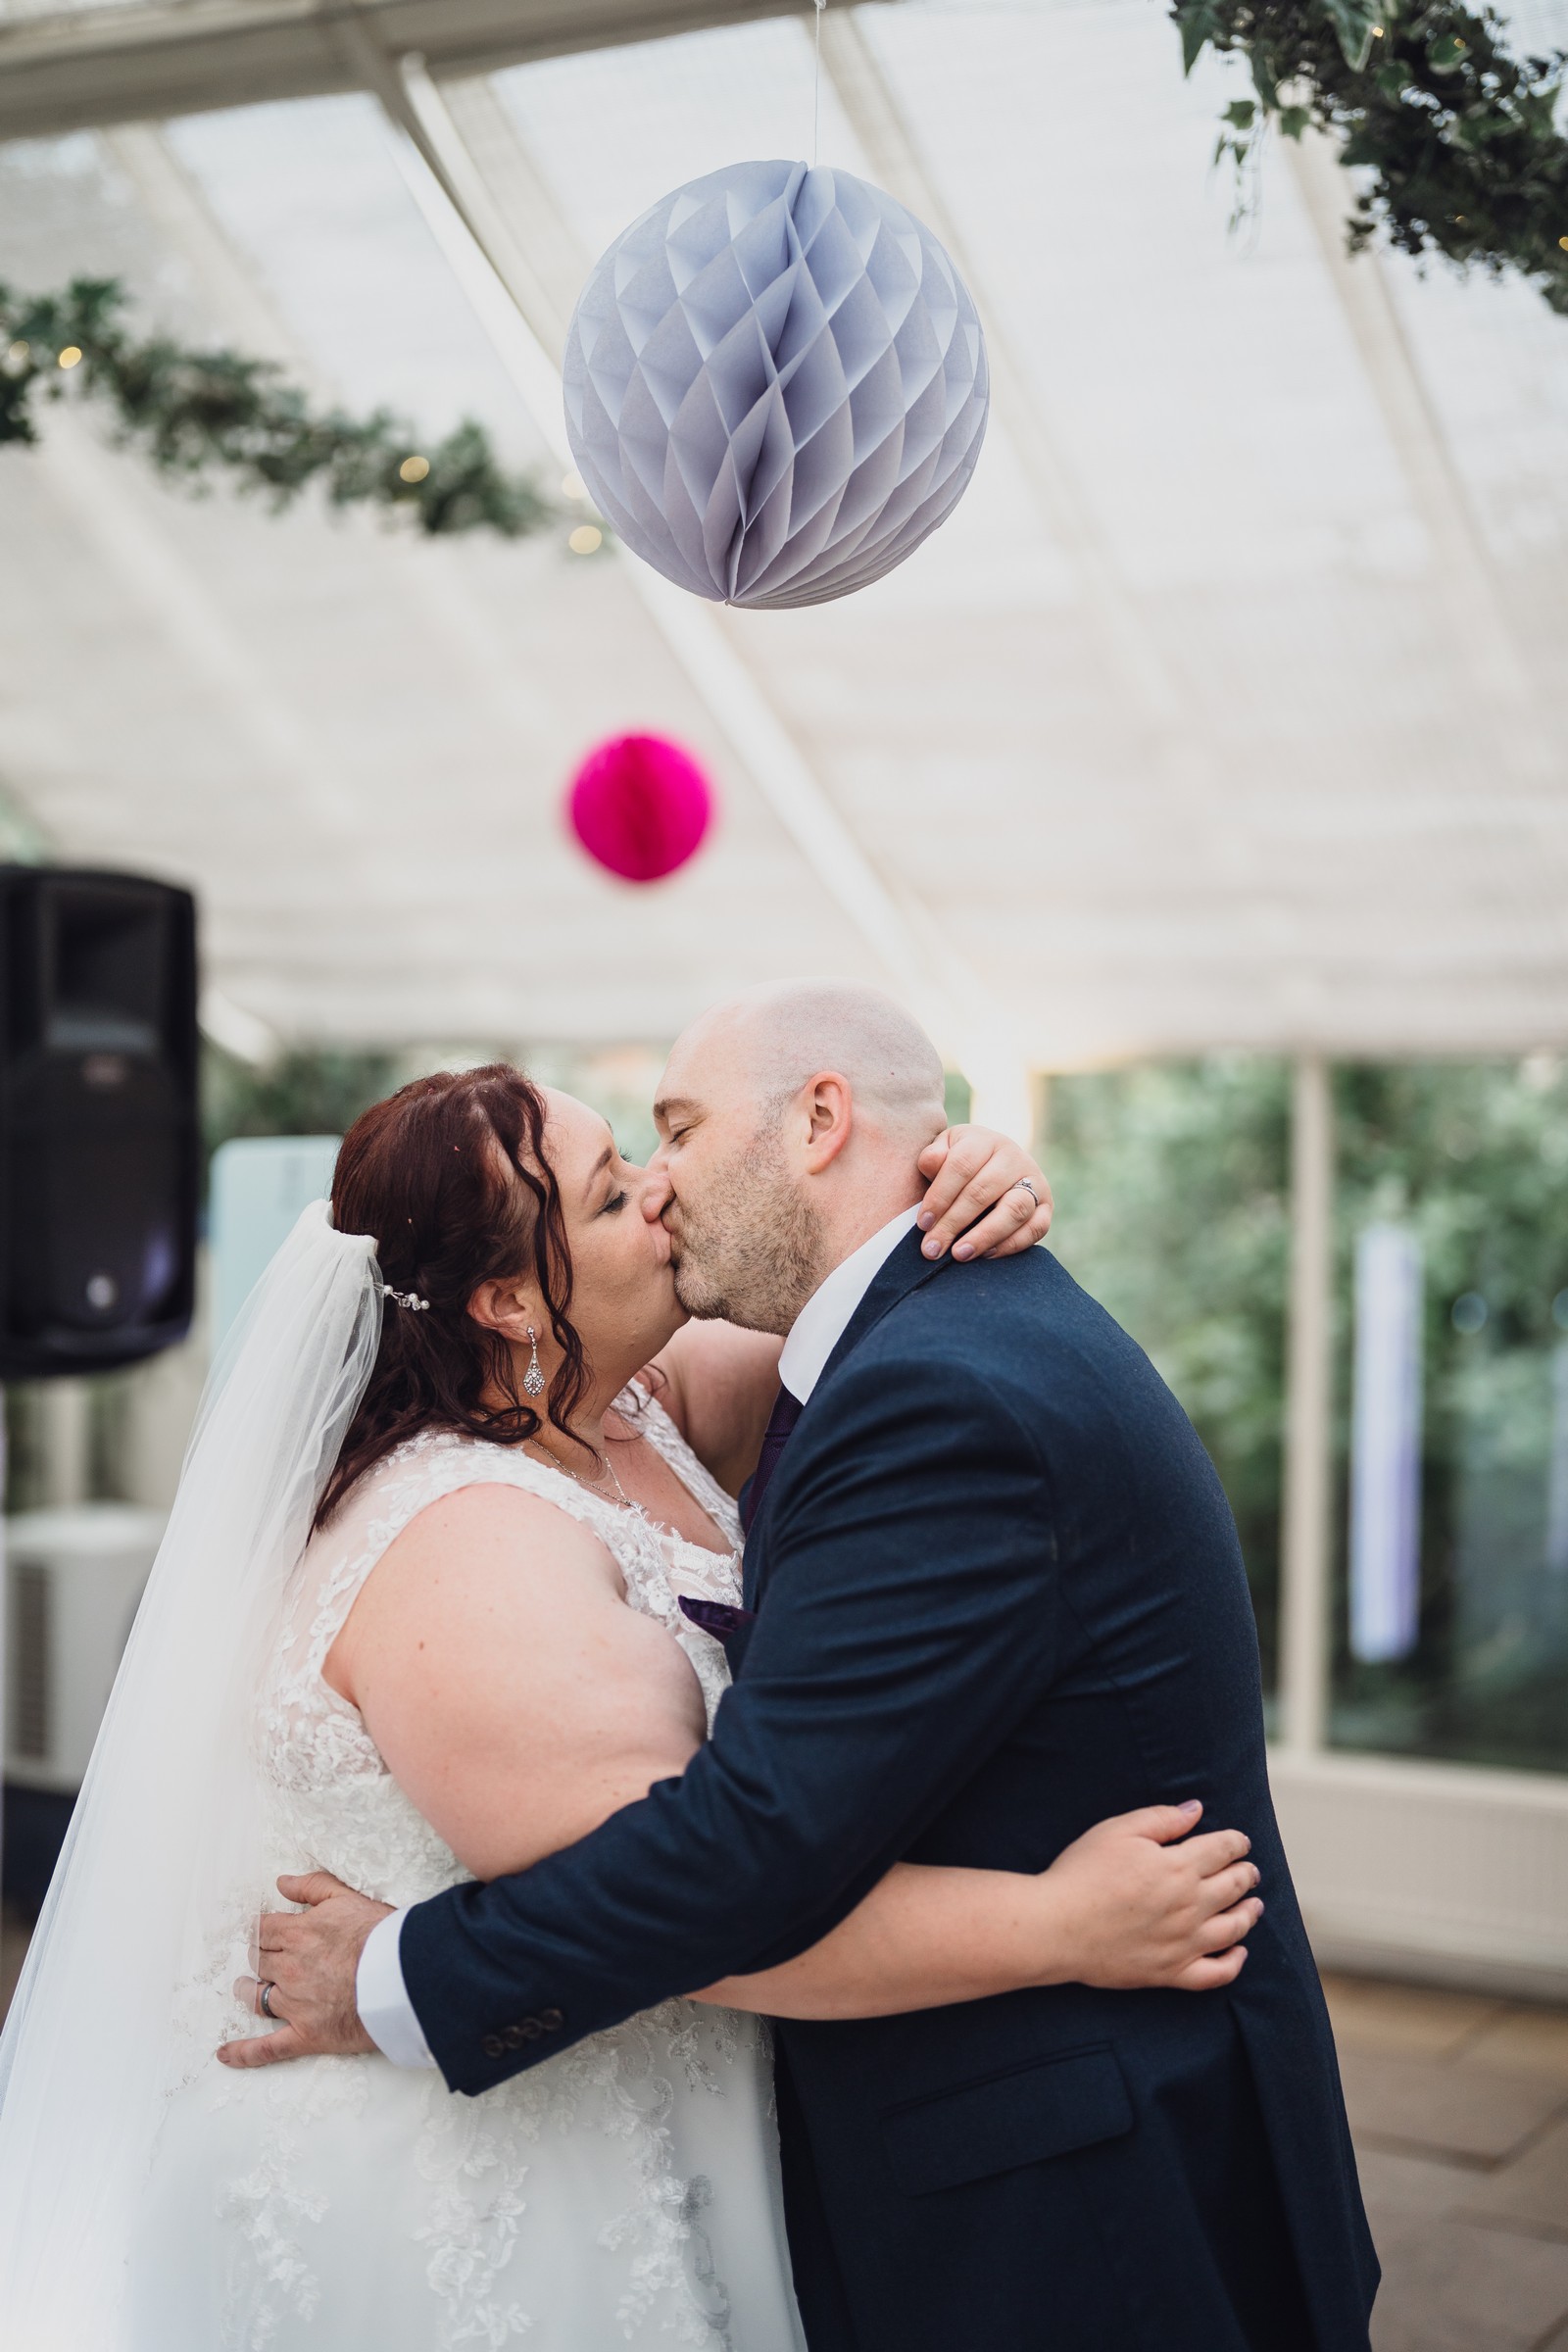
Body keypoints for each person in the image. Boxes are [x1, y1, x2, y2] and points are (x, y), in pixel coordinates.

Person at [0, 1060, 1260, 2352]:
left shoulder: (633, 1409)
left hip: (669, 2104)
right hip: (502, 2177)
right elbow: (704, 1911)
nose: (661, 1195)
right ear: (508, 1301)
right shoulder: (473, 1552)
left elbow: (855, 1294)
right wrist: (1059, 1926)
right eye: (612, 1197)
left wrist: (962, 1175)